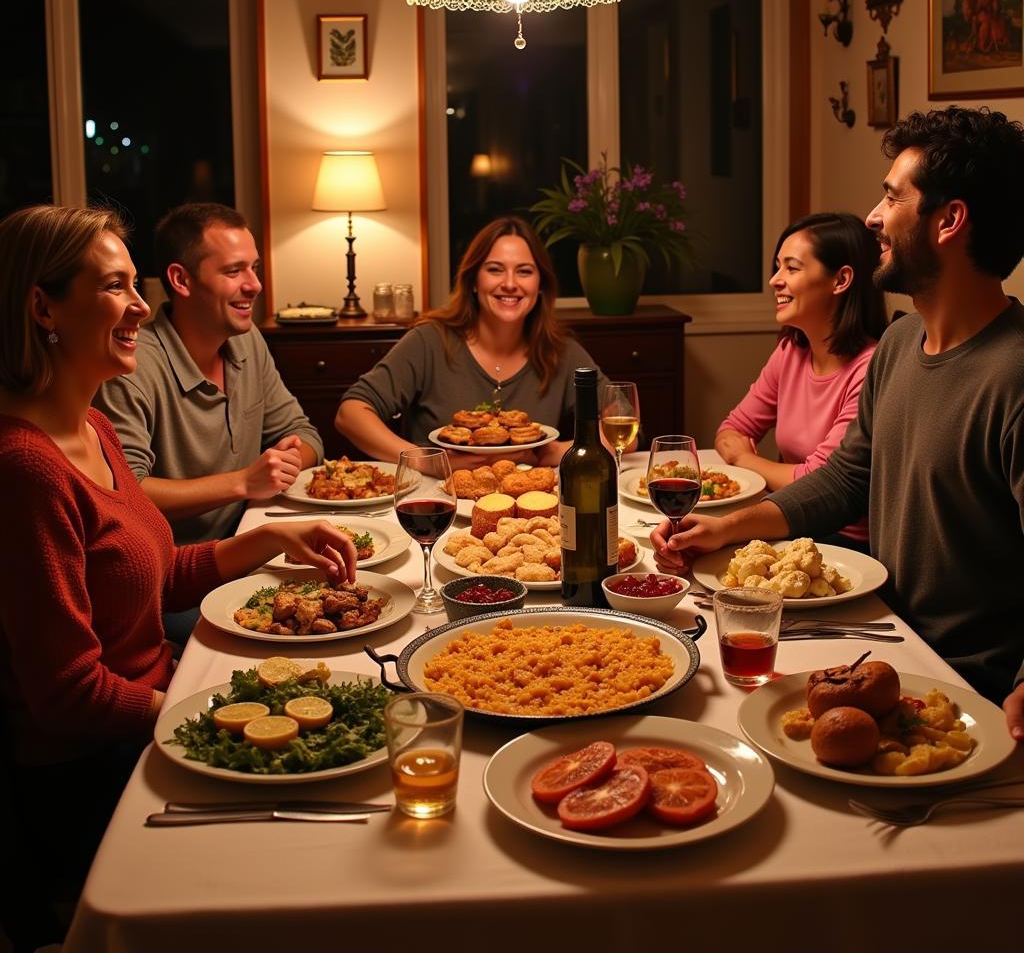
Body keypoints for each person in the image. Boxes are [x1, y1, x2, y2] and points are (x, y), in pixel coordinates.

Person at [0, 205, 356, 950]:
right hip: (89, 776)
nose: (138, 307)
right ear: (42, 307)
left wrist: (275, 539)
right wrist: (204, 709)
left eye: (135, 285)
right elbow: (67, 696)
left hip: (148, 713)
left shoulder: (91, 427)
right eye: (114, 287)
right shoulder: (26, 467)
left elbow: (154, 579)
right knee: (313, 864)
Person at [653, 105, 1024, 740]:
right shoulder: (903, 343)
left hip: (971, 687)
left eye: (890, 197)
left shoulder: (1014, 373)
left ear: (950, 221)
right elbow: (848, 480)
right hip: (883, 639)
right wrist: (725, 528)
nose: (874, 218)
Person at [93, 202, 323, 546]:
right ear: (180, 280)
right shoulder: (131, 367)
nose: (255, 285)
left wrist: (284, 463)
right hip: (178, 574)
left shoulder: (247, 341)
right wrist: (244, 482)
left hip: (248, 539)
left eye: (254, 268)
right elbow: (127, 492)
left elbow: (304, 433)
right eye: (234, 272)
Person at [335, 215, 610, 469]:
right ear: (474, 281)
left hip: (531, 505)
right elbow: (350, 413)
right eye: (495, 269)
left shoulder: (560, 350)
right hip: (438, 506)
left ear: (540, 285)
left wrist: (560, 451)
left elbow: (623, 419)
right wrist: (424, 461)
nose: (510, 283)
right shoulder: (430, 341)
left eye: (524, 271)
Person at [715, 213, 887, 552]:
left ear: (841, 280)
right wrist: (765, 466)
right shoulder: (791, 351)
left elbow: (821, 482)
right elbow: (732, 428)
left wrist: (745, 460)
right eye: (777, 267)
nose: (774, 281)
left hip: (843, 543)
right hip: (786, 522)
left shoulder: (871, 368)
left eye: (792, 268)